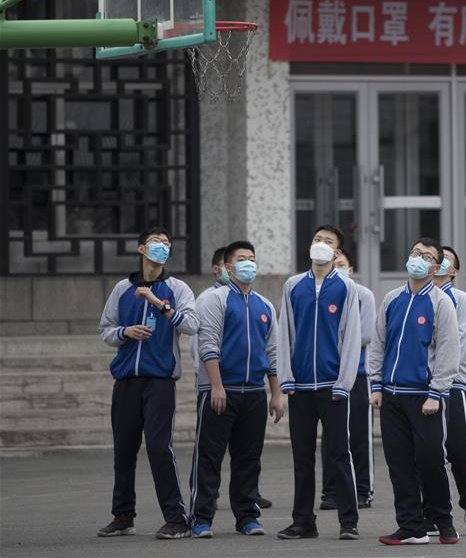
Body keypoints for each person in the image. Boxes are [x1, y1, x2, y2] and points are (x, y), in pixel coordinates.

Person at [97, 226, 198, 539]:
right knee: (124, 450)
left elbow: (193, 325)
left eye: (167, 244)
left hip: (160, 380)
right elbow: (106, 330)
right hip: (126, 379)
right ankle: (123, 514)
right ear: (141, 249)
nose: (162, 248)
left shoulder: (177, 288)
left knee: (158, 447)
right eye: (156, 242)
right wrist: (125, 332)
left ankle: (176, 518)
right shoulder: (121, 289)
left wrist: (159, 303)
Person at [369, 238, 461, 546]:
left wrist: (436, 393)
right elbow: (378, 343)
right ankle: (411, 526)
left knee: (431, 460)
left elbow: (449, 350)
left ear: (436, 267)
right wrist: (376, 384)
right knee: (399, 464)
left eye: (426, 256)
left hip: (424, 398)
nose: (418, 258)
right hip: (391, 396)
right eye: (414, 253)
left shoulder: (440, 303)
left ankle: (443, 521)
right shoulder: (392, 299)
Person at [190, 240, 284, 538]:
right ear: (228, 267)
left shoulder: (264, 305)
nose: (248, 264)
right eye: (242, 259)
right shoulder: (213, 300)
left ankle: (247, 517)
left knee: (248, 458)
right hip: (220, 391)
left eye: (252, 258)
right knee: (209, 456)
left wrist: (276, 393)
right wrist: (216, 386)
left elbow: (273, 352)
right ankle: (201, 518)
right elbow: (208, 345)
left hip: (254, 392)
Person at [277, 225, 362, 541]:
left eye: (328, 242)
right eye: (317, 239)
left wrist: (344, 382)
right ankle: (303, 522)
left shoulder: (346, 288)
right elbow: (284, 332)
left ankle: (348, 521)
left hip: (333, 387)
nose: (321, 245)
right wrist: (286, 378)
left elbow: (351, 336)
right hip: (300, 387)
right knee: (302, 457)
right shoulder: (293, 286)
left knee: (339, 454)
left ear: (337, 252)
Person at [429, 245, 466, 536]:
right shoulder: (420, 298)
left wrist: (440, 371)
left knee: (460, 451)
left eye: (447, 260)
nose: (440, 265)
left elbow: (461, 343)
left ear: (454, 270)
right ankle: (433, 514)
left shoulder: (459, 299)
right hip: (421, 388)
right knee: (427, 454)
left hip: (452, 386)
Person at [320, 248, 376, 511]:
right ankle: (330, 491)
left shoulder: (363, 295)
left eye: (343, 265)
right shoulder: (323, 293)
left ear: (351, 269)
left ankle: (363, 489)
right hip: (329, 375)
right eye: (335, 264)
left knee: (359, 436)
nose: (339, 268)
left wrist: (338, 338)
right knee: (332, 437)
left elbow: (365, 335)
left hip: (358, 374)